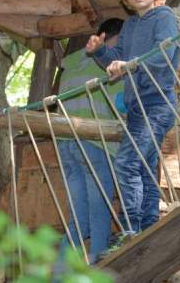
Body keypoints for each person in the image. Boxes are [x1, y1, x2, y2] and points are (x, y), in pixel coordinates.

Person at [86, 0, 180, 236]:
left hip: (157, 105)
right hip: (137, 109)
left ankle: (132, 228)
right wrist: (101, 51)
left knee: (127, 163)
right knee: (145, 168)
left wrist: (132, 65)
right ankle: (149, 226)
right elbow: (117, 61)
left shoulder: (164, 17)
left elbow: (163, 55)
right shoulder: (129, 26)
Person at [56, 18, 125, 264]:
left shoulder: (71, 64)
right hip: (95, 144)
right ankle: (98, 269)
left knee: (79, 219)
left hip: (65, 144)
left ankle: (59, 275)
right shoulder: (107, 62)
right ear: (106, 38)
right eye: (120, 42)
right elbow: (122, 106)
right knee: (99, 213)